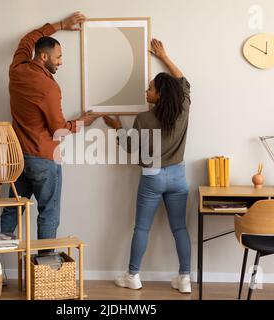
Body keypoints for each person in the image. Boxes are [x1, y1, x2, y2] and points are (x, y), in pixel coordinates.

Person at [0, 12, 99, 270]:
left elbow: (28, 38)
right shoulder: (49, 88)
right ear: (44, 57)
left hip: (18, 159)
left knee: (12, 209)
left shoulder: (17, 68)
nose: (61, 62)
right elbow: (58, 129)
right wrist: (81, 123)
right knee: (48, 213)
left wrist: (60, 26)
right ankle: (45, 271)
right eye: (58, 57)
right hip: (43, 159)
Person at [103, 39, 192, 293]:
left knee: (142, 227)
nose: (146, 90)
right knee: (180, 228)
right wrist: (164, 56)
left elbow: (131, 148)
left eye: (150, 88)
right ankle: (184, 279)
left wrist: (118, 128)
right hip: (178, 176)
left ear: (160, 94)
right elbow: (183, 82)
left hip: (152, 176)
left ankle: (133, 276)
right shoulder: (183, 108)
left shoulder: (144, 118)